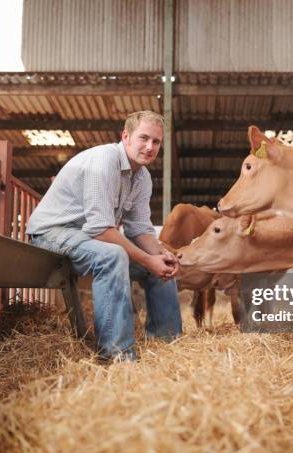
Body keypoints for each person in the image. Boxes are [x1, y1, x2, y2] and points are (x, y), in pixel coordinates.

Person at [26, 111, 182, 362]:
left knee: (161, 264)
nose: (150, 147)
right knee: (113, 255)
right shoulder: (104, 161)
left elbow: (140, 228)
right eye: (143, 138)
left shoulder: (142, 177)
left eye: (156, 142)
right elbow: (100, 229)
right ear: (126, 136)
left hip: (84, 238)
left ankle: (168, 344)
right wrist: (146, 259)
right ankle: (117, 354)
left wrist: (160, 255)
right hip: (51, 233)